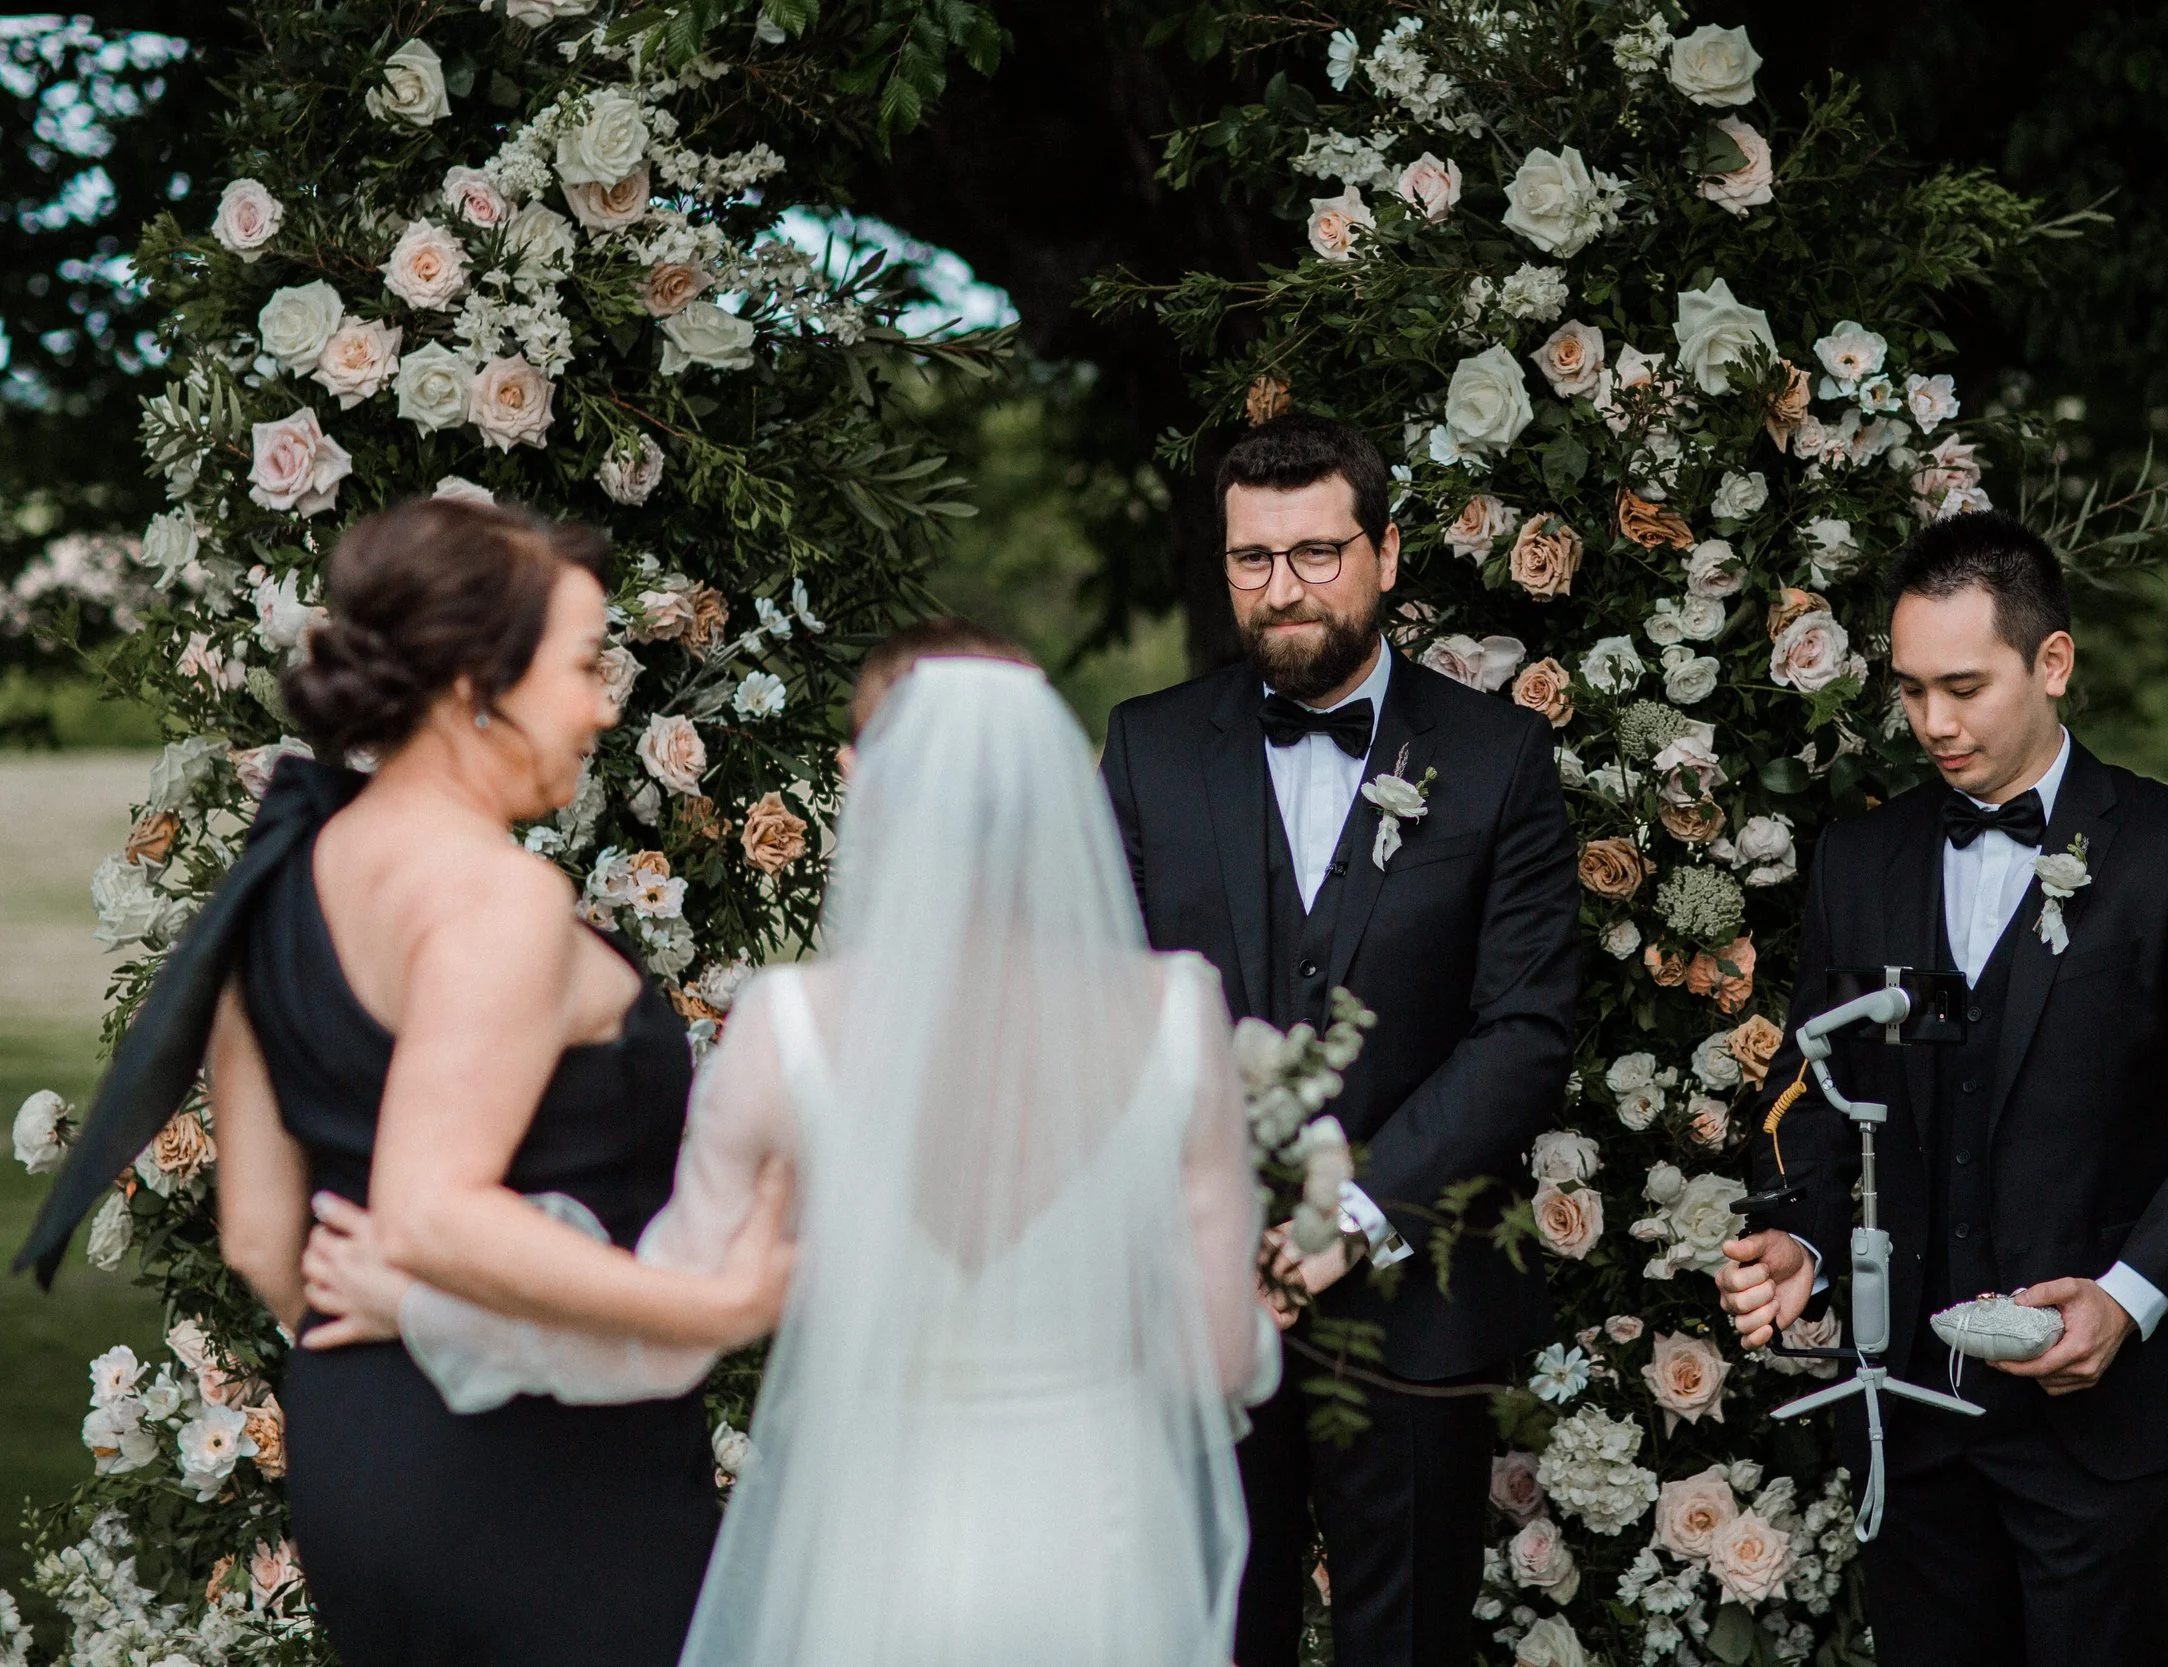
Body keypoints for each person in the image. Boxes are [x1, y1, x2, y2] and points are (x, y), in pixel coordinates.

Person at [305, 628, 1278, 1667]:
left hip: (873, 1561)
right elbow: (1210, 1355)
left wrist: (423, 1302)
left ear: (859, 777)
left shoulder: (795, 1027)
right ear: (1053, 782)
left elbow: (672, 1326)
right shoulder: (1179, 1012)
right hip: (1101, 1554)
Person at [189, 498, 797, 1667]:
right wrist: (718, 1310)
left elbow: (263, 1238)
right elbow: (429, 1207)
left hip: (361, 1453)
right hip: (538, 1473)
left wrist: (396, 1343)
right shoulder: (494, 896)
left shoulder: (278, 878)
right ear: (478, 680)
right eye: (582, 664)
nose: (605, 702)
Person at [1714, 511, 2168, 1666]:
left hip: (2093, 1413)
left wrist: (2129, 1295)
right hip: (1906, 1405)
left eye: (1962, 685)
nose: (1932, 723)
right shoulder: (1863, 857)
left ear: (2052, 663)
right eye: (1908, 690)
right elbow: (1815, 1075)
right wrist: (1797, 1235)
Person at [1100, 414, 1582, 1667]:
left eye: (1316, 553)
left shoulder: (1496, 757)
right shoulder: (1148, 747)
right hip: (1198, 1301)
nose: (1284, 588)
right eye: (1252, 559)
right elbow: (1108, 1011)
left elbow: (1524, 1029)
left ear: (1386, 553)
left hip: (1412, 1304)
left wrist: (1352, 1212)